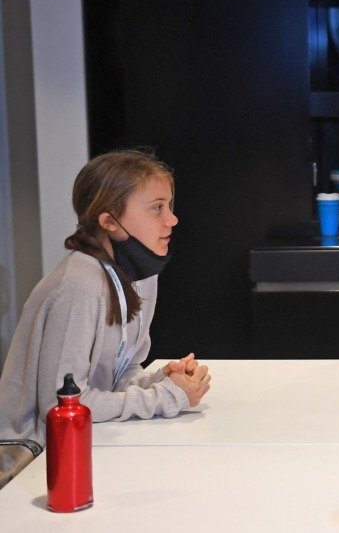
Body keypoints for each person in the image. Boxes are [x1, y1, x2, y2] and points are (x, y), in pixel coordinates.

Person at [0, 149, 212, 452]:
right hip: (37, 456)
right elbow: (63, 405)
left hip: (92, 441)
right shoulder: (79, 285)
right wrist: (166, 397)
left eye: (169, 206)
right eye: (157, 208)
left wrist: (158, 381)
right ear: (109, 221)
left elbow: (117, 378)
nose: (172, 219)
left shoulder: (142, 276)